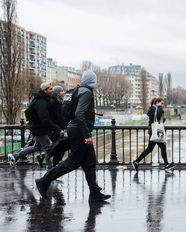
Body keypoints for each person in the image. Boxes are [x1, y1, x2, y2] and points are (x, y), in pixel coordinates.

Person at [35, 70, 111, 203]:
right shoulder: (86, 92)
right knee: (73, 162)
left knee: (89, 162)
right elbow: (79, 114)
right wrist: (87, 135)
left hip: (75, 128)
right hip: (80, 131)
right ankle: (43, 180)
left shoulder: (76, 90)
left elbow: (70, 113)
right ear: (92, 81)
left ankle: (94, 193)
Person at [8, 82, 62, 169]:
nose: (52, 90)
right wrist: (57, 128)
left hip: (39, 128)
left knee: (37, 147)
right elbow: (44, 118)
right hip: (40, 129)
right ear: (45, 90)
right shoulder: (42, 101)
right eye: (50, 89)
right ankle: (51, 171)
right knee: (49, 148)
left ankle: (15, 156)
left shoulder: (44, 99)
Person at [131, 98, 175, 172]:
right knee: (158, 148)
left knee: (152, 148)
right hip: (154, 132)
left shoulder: (155, 109)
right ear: (157, 102)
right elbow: (158, 116)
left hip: (155, 132)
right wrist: (160, 108)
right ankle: (166, 165)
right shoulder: (152, 109)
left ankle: (136, 162)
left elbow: (161, 120)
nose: (162, 105)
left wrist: (160, 111)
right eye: (161, 103)